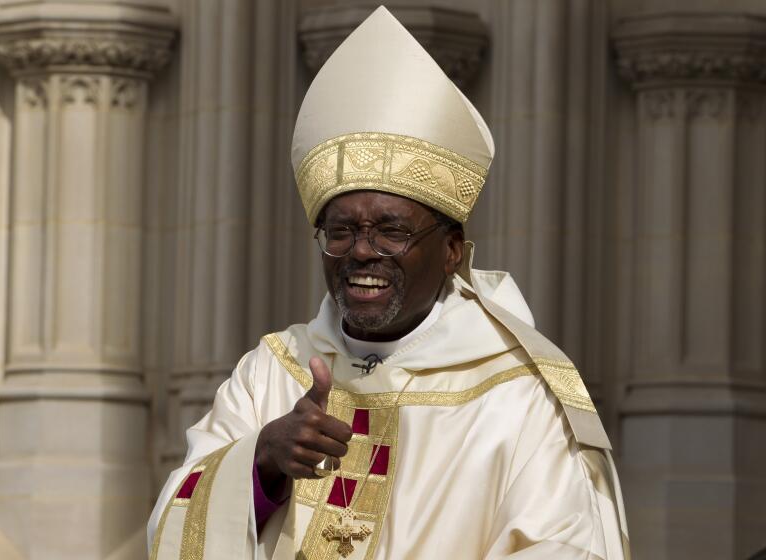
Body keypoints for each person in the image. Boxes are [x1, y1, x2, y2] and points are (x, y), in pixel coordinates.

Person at [147, 6, 629, 560]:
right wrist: (260, 461)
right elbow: (170, 527)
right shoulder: (271, 373)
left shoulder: (517, 396)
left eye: (393, 231)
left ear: (452, 250)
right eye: (341, 229)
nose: (362, 252)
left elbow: (565, 546)